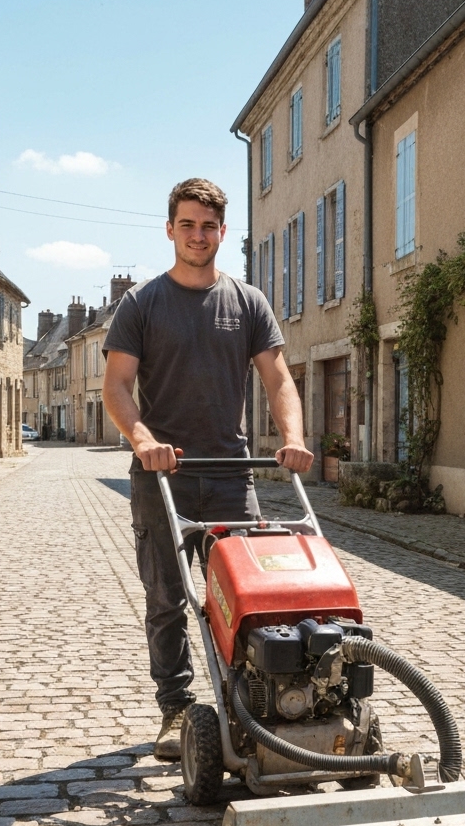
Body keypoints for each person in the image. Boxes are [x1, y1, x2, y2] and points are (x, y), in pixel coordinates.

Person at [102, 178, 313, 759]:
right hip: (160, 475)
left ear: (223, 232)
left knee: (248, 595)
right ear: (170, 229)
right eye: (188, 224)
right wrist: (143, 440)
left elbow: (278, 379)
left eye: (209, 226)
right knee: (167, 597)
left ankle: (251, 701)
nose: (198, 235)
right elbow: (117, 386)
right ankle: (175, 708)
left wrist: (292, 438)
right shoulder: (141, 304)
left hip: (230, 472)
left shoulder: (247, 302)